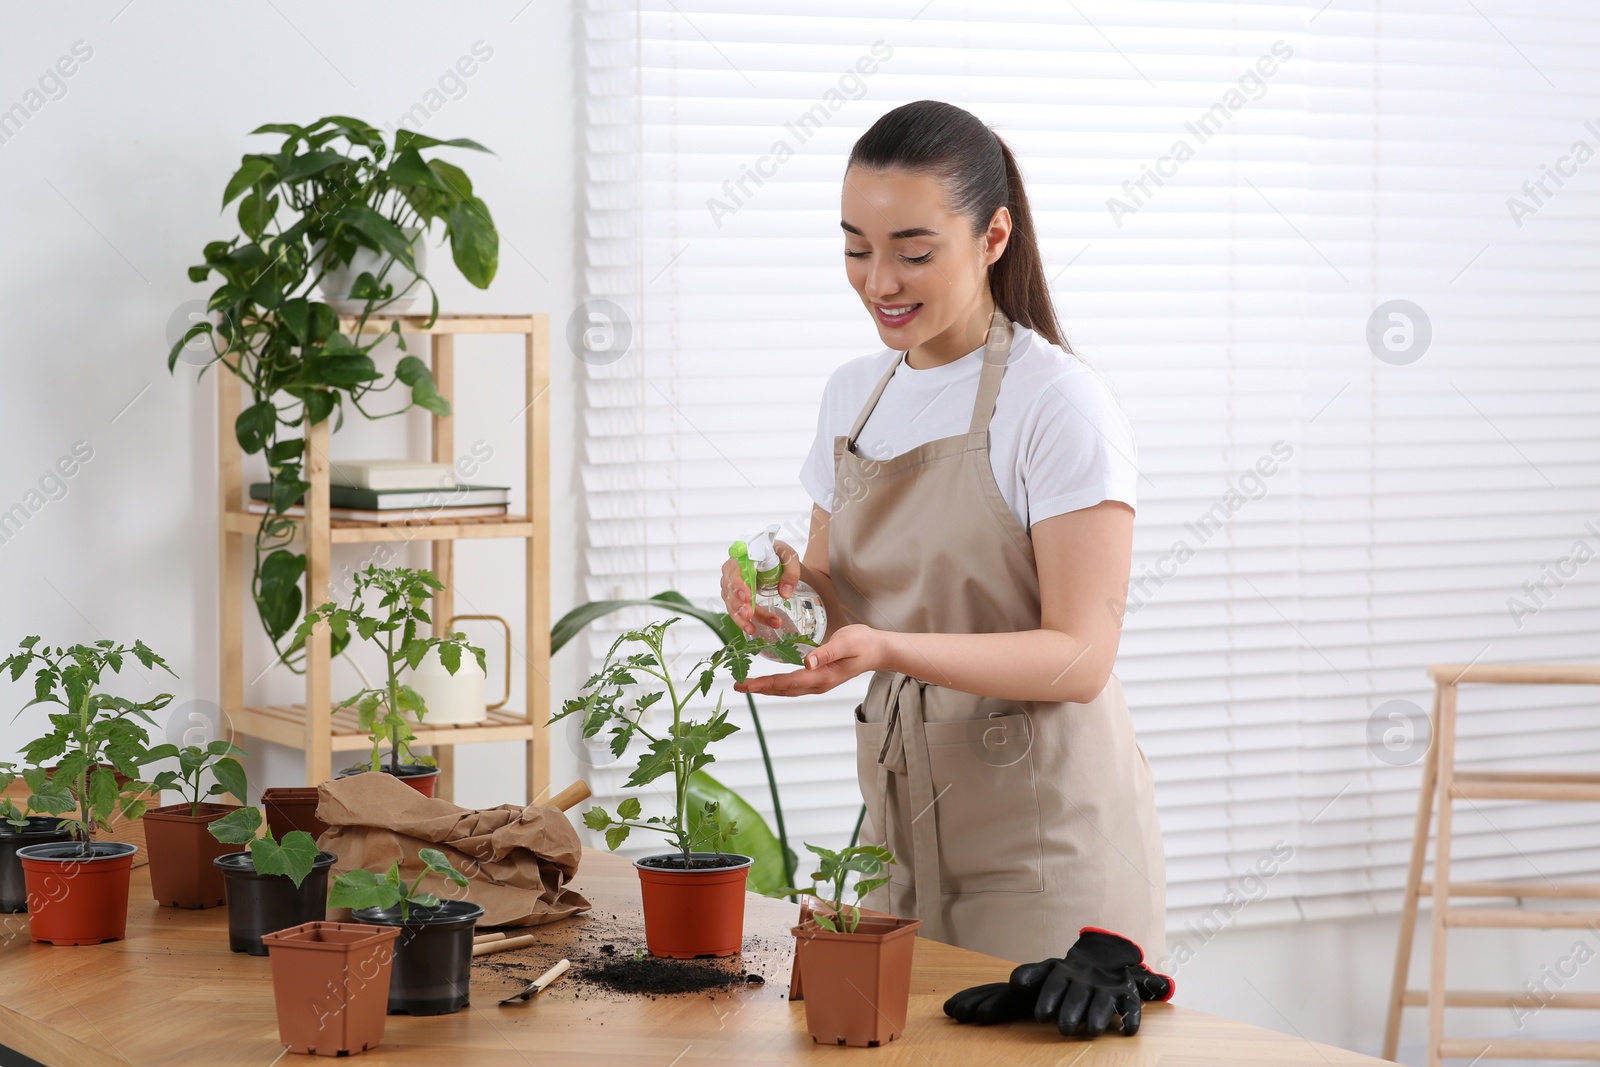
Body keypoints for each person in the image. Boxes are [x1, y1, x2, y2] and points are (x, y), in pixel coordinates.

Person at [719, 100, 1170, 1031]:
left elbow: (1080, 656)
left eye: (914, 251)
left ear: (993, 234)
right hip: (897, 833)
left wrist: (886, 645)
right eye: (856, 247)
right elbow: (838, 592)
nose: (879, 280)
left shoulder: (1058, 404)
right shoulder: (857, 393)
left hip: (1046, 846)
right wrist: (782, 600)